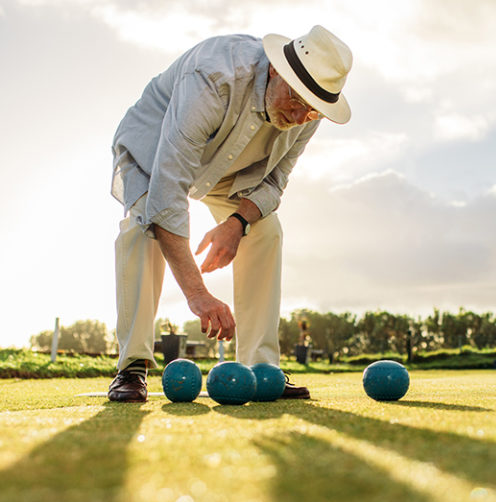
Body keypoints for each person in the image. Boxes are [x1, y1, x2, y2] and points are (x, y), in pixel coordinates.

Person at [108, 25, 353, 402]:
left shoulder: (308, 112)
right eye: (295, 98)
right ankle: (132, 367)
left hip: (235, 171)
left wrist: (237, 224)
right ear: (275, 70)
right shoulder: (215, 76)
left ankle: (262, 367)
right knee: (143, 226)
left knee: (266, 231)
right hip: (154, 151)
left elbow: (275, 181)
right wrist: (198, 294)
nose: (300, 113)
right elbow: (168, 192)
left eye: (312, 109)